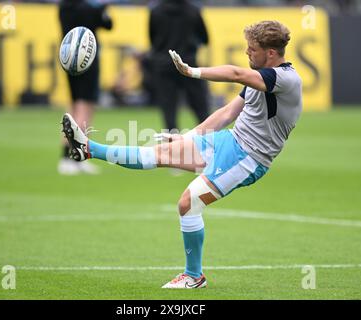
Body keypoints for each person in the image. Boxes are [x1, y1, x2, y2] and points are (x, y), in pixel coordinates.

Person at [61, 20, 302, 288]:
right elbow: (226, 113)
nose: (247, 52)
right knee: (159, 154)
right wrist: (188, 137)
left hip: (248, 158)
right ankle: (88, 149)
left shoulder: (285, 79)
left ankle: (193, 276)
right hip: (228, 141)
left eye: (252, 49)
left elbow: (235, 73)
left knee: (188, 203)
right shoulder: (259, 79)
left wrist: (192, 71)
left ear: (270, 53)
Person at [58, 0, 113, 175]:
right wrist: (104, 10)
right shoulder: (89, 9)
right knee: (85, 107)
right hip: (86, 61)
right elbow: (108, 24)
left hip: (68, 60)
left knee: (74, 105)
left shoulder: (63, 7)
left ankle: (67, 157)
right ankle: (75, 156)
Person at [149, 0, 210, 132]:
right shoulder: (193, 10)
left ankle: (173, 145)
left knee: (169, 110)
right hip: (188, 64)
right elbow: (205, 38)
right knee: (200, 107)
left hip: (163, 65)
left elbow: (152, 39)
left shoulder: (155, 11)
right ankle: (209, 140)